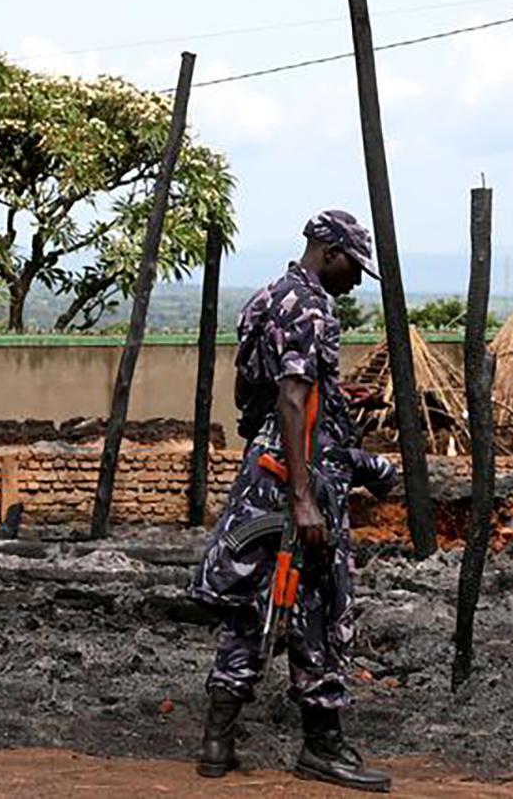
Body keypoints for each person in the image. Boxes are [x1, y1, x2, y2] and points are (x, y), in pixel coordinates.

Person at [188, 209, 399, 793]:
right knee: (318, 610)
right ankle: (323, 748)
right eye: (353, 267)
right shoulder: (312, 306)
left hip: (263, 472)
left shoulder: (266, 296)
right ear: (328, 252)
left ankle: (215, 743)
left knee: (253, 606)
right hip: (295, 482)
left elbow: (248, 392)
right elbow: (290, 395)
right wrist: (305, 497)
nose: (355, 281)